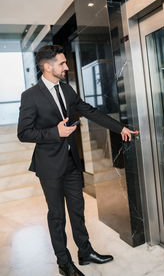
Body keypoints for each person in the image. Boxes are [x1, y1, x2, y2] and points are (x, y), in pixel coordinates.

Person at [17, 45, 137, 276]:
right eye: (61, 63)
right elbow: (24, 133)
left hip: (72, 162)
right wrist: (55, 132)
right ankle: (64, 263)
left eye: (65, 62)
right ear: (47, 66)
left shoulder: (67, 90)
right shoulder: (30, 96)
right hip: (49, 166)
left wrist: (120, 127)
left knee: (78, 211)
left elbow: (90, 111)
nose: (66, 66)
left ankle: (85, 252)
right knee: (57, 216)